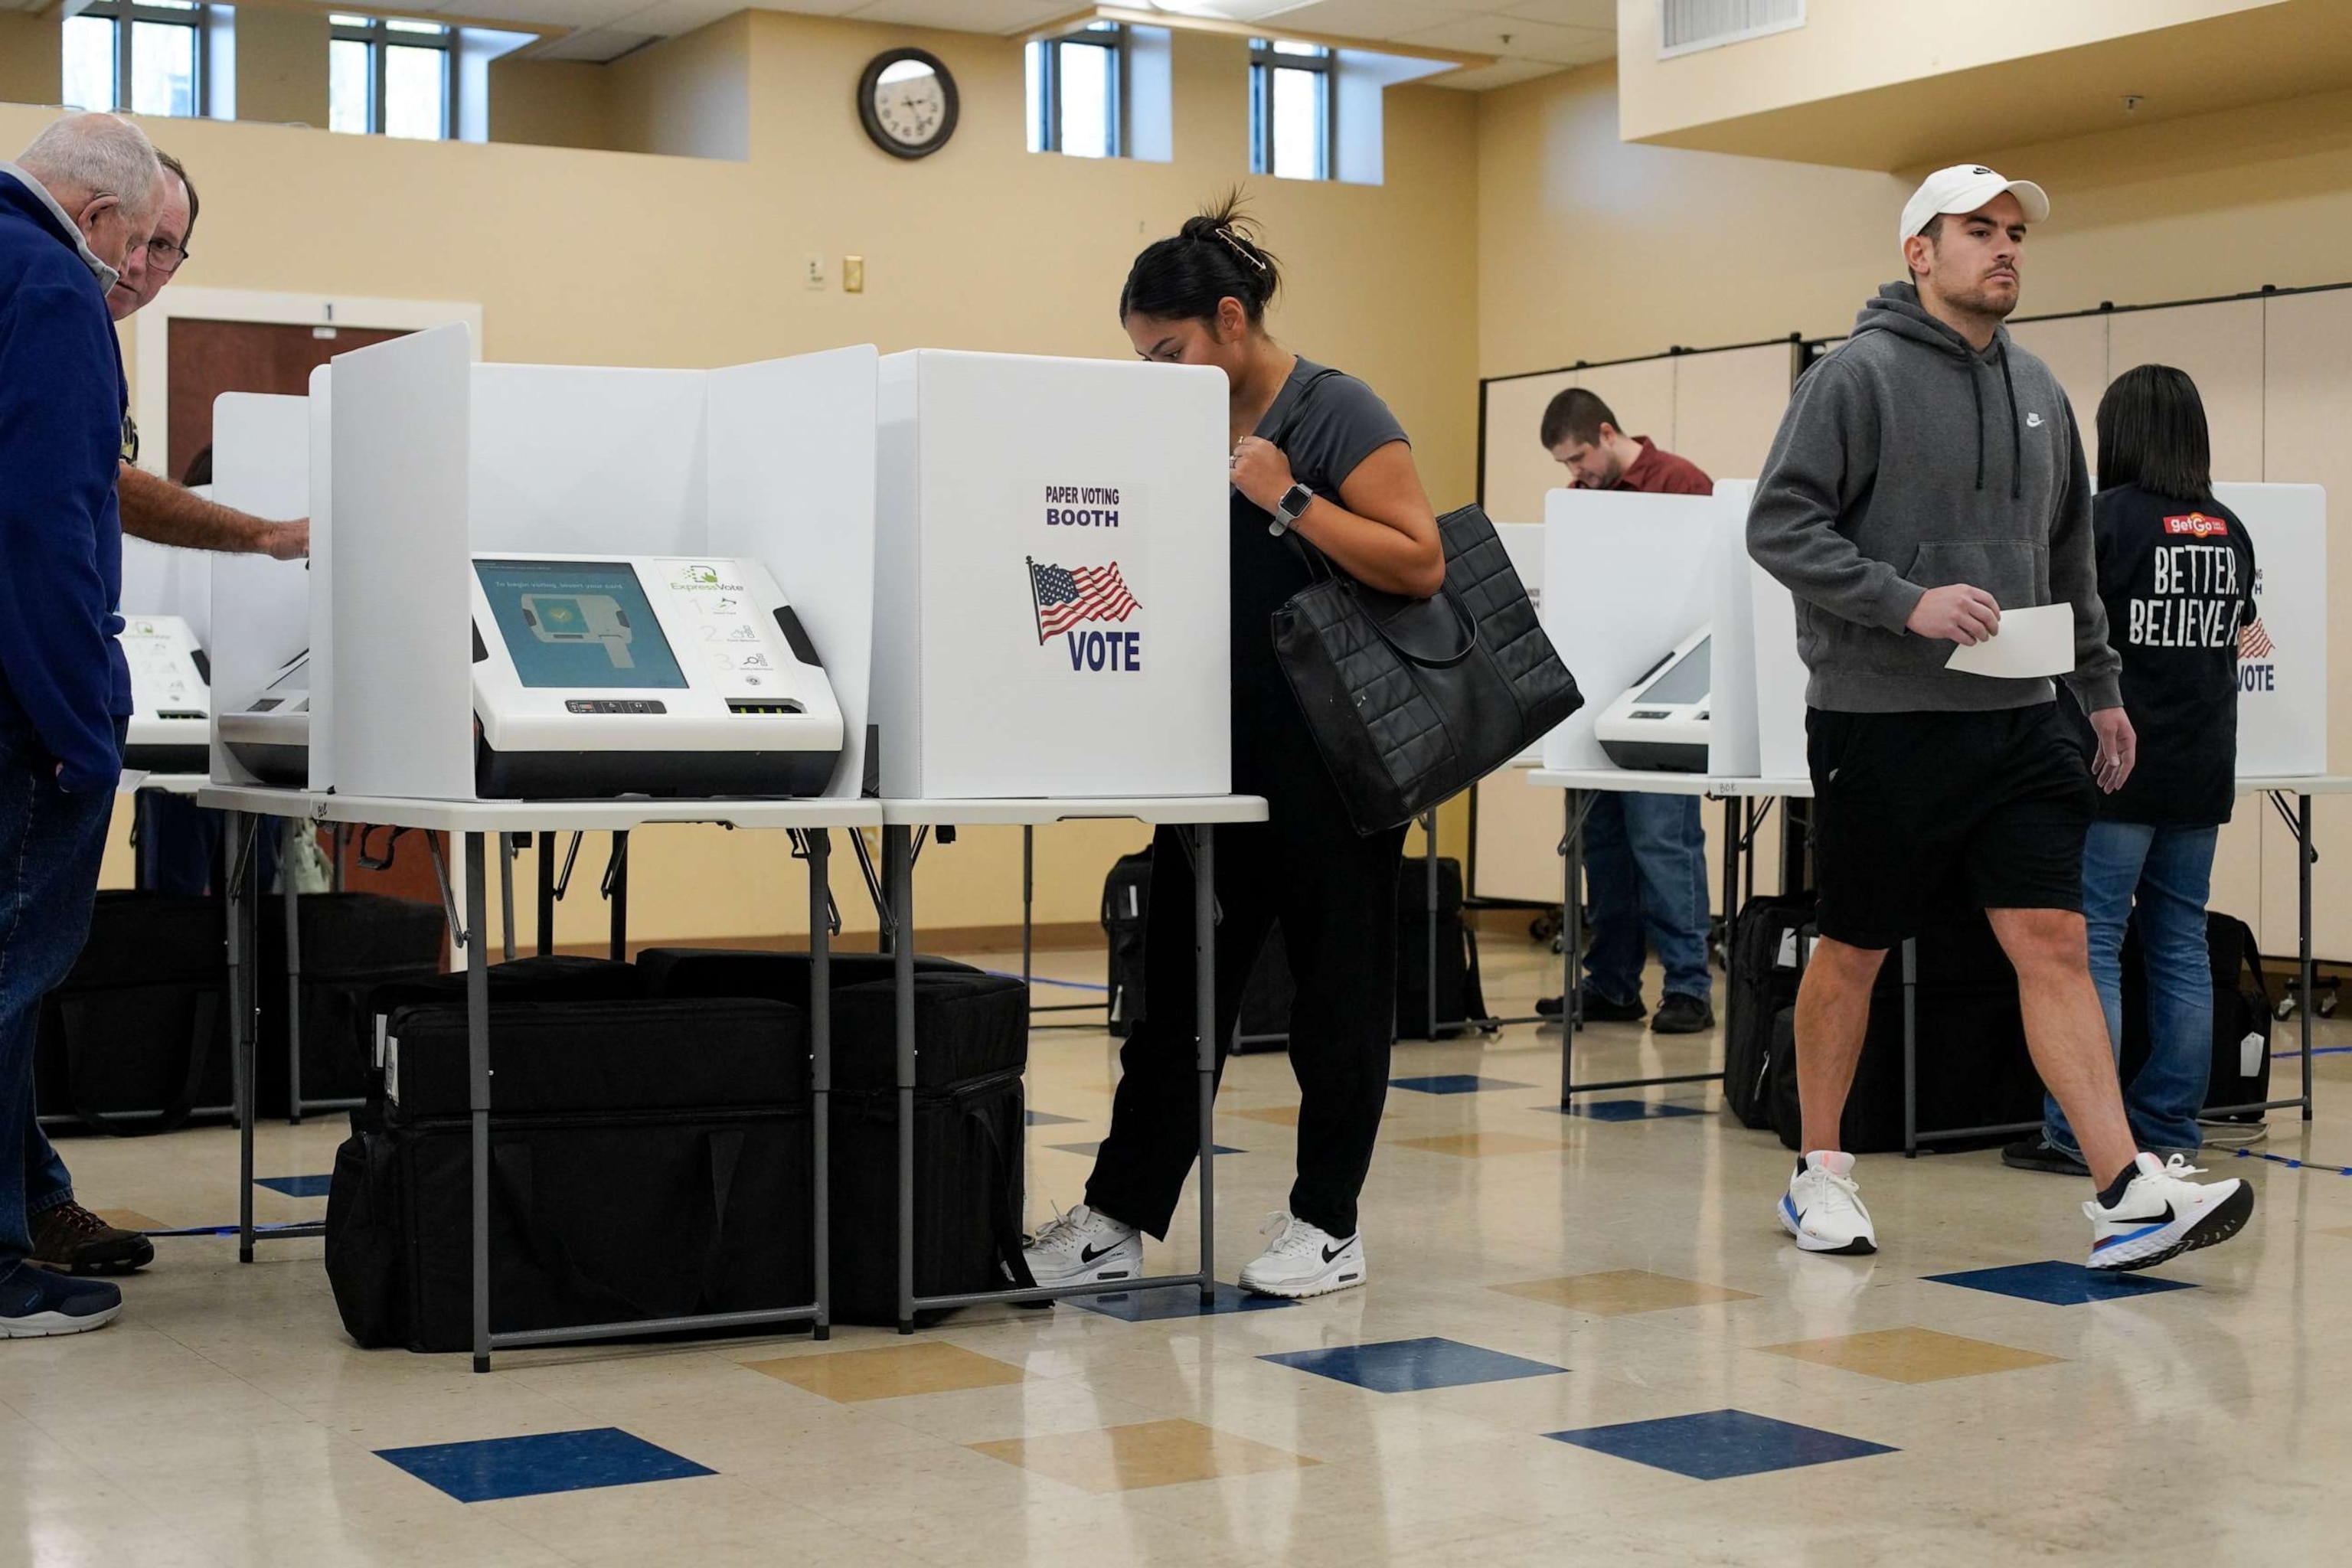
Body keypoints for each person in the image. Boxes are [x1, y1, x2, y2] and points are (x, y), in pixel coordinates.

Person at [1746, 164, 2252, 1272]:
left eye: (2017, 231)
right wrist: (1905, 600)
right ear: (1920, 251)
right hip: (1882, 719)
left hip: (2023, 718)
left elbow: (2070, 559)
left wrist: (2103, 689)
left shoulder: (2040, 392)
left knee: (2058, 941)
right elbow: (1780, 528)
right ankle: (1821, 1171)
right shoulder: (1855, 378)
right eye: (1981, 229)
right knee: (1855, 949)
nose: (2006, 248)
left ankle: (2123, 1185)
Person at [1024, 198, 1443, 1298]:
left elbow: (1418, 560)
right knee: (1173, 999)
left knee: (1336, 1002)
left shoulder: (1336, 407)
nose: (1157, 373)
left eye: (1169, 351)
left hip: (1340, 759)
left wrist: (1289, 495)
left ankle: (1328, 1226)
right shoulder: (1182, 425)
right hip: (1215, 753)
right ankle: (1119, 1219)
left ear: (1230, 319)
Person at [1, 112, 168, 1336]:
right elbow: (47, 523)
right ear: (102, 219)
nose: (131, 276)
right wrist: (82, 723)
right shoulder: (53, 286)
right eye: (138, 249)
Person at [2004, 366, 2256, 1175]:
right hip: (2202, 765)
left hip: (2113, 768)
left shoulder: (2103, 521)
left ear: (2117, 433)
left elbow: (2053, 629)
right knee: (2180, 943)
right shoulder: (2228, 528)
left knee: (2093, 947)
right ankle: (2171, 1125)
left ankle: (2079, 1134)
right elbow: (2239, 629)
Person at [1534, 390, 1717, 1035]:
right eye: (1565, 464)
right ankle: (1612, 983)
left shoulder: (1682, 484)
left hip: (1658, 703)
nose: (1574, 473)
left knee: (1663, 841)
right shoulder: (1582, 504)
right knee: (1602, 846)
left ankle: (1689, 987)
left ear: (1609, 434)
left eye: (1579, 457)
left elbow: (1707, 597)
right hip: (1593, 700)